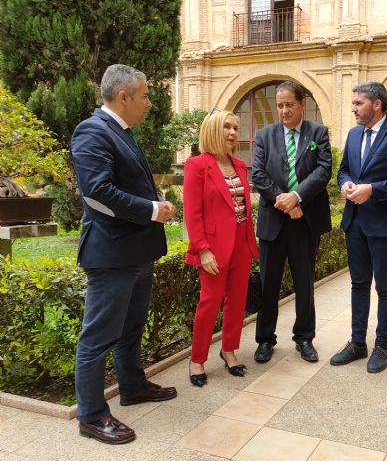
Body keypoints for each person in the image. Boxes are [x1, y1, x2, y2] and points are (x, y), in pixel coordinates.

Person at [71, 64, 177, 444]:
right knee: (98, 337)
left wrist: (155, 202)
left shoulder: (122, 132)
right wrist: (152, 210)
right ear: (123, 97)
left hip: (136, 251)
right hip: (112, 254)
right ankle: (91, 415)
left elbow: (126, 183)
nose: (150, 103)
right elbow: (96, 191)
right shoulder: (93, 131)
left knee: (131, 328)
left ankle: (132, 386)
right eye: (146, 95)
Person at [331, 81, 387, 373]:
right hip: (354, 221)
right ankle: (358, 343)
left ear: (377, 104)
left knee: (385, 287)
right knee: (358, 284)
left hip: (383, 223)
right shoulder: (354, 134)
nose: (353, 108)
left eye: (358, 103)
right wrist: (346, 183)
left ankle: (382, 345)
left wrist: (373, 189)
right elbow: (344, 169)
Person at [252, 81, 332, 363]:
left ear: (302, 105)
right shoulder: (264, 135)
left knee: (304, 282)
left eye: (289, 105)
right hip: (274, 220)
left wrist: (297, 197)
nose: (283, 111)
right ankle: (265, 340)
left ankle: (304, 338)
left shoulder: (318, 132)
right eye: (280, 105)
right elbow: (258, 175)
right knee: (268, 283)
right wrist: (284, 201)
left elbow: (324, 171)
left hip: (305, 220)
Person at [183, 109, 259, 386]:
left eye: (236, 128)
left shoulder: (239, 165)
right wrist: (202, 249)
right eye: (227, 127)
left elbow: (244, 207)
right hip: (213, 246)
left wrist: (250, 242)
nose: (232, 133)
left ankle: (228, 350)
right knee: (209, 302)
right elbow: (193, 213)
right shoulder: (197, 165)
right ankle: (197, 359)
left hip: (241, 242)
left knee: (237, 301)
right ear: (213, 130)